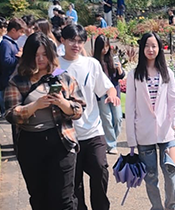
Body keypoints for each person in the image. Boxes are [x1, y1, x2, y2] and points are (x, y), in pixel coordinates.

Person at [4, 32, 86, 210]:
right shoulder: (18, 80)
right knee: (39, 199)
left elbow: (79, 110)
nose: (40, 59)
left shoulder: (62, 76)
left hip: (61, 141)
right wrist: (35, 106)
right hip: (31, 144)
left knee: (64, 200)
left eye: (44, 54)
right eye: (35, 55)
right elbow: (11, 114)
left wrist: (63, 104)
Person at [59, 24, 120, 210]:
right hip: (68, 134)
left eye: (79, 41)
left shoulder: (91, 64)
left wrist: (112, 93)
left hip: (93, 130)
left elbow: (106, 85)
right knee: (74, 183)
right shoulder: (56, 66)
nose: (75, 45)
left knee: (101, 169)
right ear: (63, 40)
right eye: (71, 40)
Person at [126, 32, 175, 210]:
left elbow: (174, 100)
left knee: (172, 174)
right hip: (144, 134)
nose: (151, 49)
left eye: (154, 46)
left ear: (159, 48)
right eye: (147, 46)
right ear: (142, 48)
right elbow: (130, 108)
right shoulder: (134, 75)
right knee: (150, 177)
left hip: (168, 132)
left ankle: (172, 206)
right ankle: (157, 207)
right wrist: (131, 140)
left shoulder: (167, 73)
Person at [92, 35, 125, 155]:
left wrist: (120, 69)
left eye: (106, 46)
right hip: (101, 93)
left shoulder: (112, 58)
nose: (105, 50)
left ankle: (112, 140)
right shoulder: (94, 62)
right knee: (106, 118)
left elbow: (120, 76)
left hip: (114, 92)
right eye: (102, 47)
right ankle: (111, 144)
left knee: (117, 118)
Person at [0, 18, 26, 116]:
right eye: (20, 32)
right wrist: (19, 58)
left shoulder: (10, 43)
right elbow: (6, 61)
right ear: (13, 30)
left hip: (7, 79)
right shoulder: (6, 44)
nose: (21, 35)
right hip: (5, 80)